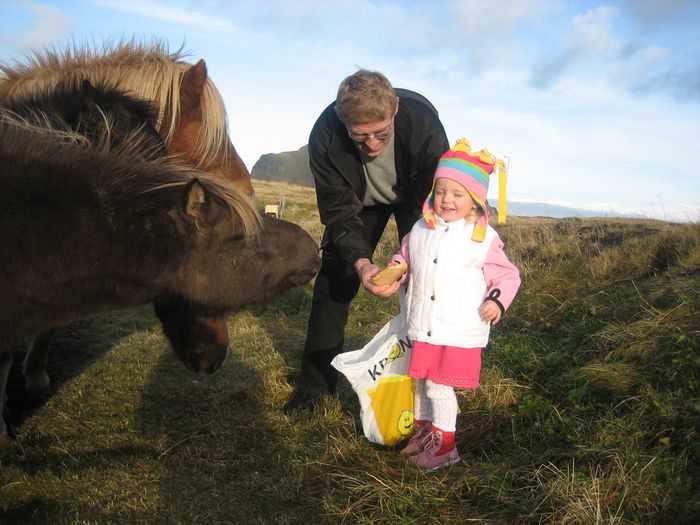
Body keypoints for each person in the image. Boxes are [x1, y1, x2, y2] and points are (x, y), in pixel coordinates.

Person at [284, 69, 449, 412]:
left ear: (396, 110)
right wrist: (361, 263)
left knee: (426, 278)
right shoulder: (324, 136)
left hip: (415, 199)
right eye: (360, 138)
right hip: (360, 205)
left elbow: (438, 196)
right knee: (334, 280)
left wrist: (410, 254)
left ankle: (433, 383)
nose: (372, 146)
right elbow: (338, 212)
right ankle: (313, 391)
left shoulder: (424, 125)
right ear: (343, 123)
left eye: (380, 133)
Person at [382, 138, 521, 470]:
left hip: (456, 328)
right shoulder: (418, 229)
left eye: (458, 195)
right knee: (421, 380)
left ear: (474, 202)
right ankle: (423, 433)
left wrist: (496, 302)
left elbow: (507, 275)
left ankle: (444, 447)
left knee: (438, 385)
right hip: (424, 323)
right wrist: (395, 270)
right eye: (441, 191)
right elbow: (405, 258)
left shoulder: (481, 238)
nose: (447, 200)